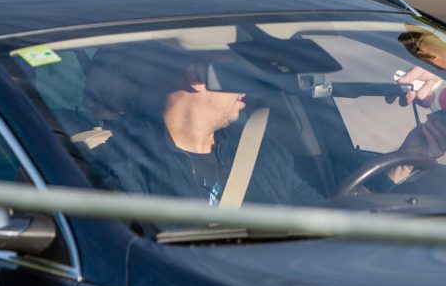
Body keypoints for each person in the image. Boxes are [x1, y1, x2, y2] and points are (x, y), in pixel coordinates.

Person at [87, 46, 324, 207]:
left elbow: (322, 217)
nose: (247, 88)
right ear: (197, 76)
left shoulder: (263, 151)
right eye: (237, 74)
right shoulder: (123, 164)